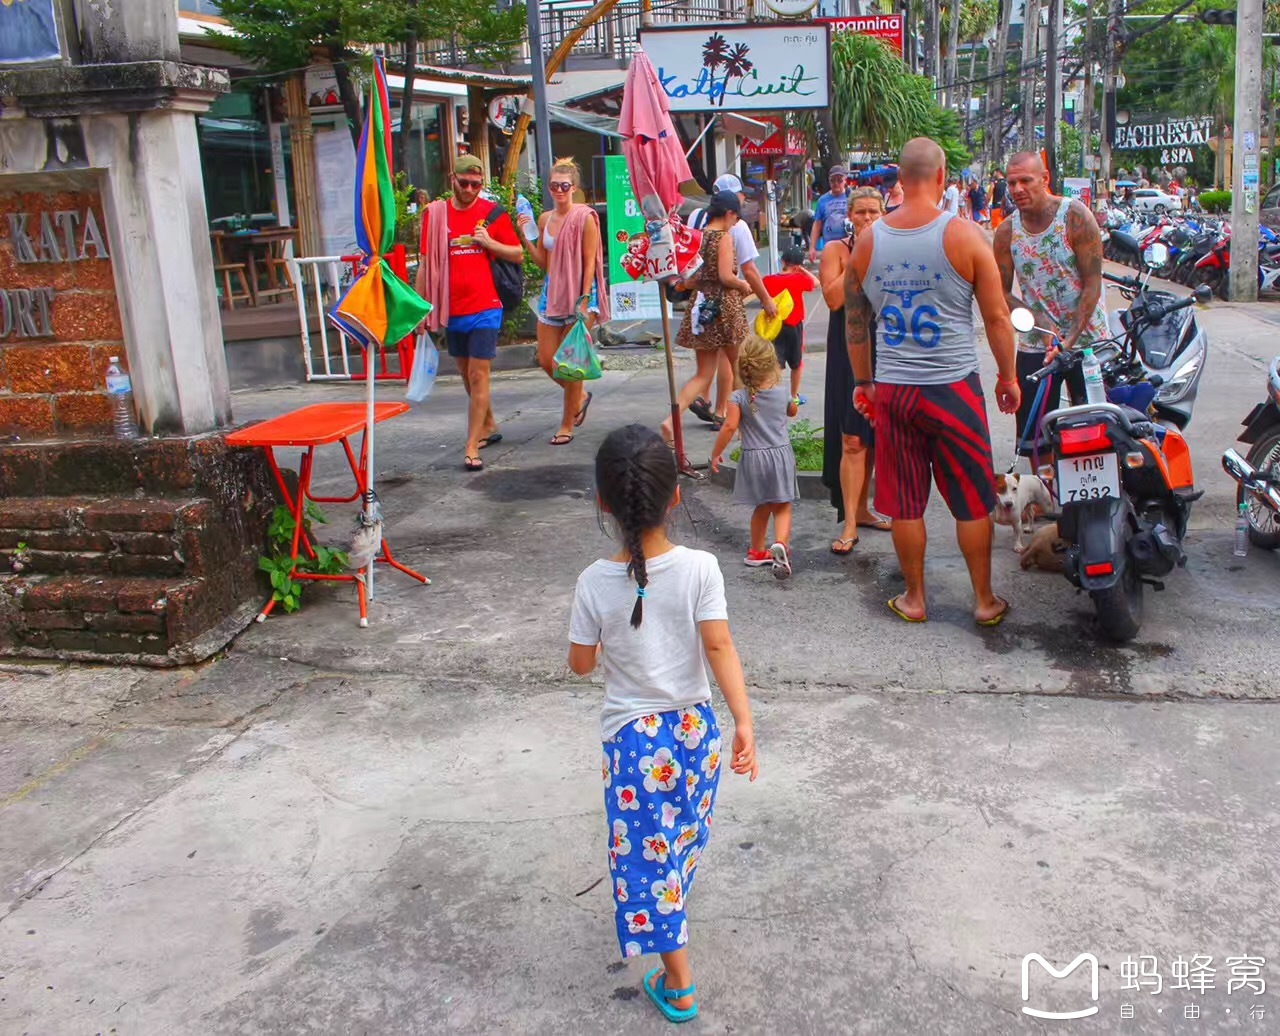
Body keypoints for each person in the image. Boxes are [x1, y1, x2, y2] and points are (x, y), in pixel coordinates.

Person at [568, 424, 759, 1024]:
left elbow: (580, 665)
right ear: (675, 497)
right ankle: (672, 934)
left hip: (633, 744)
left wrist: (605, 642)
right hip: (696, 734)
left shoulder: (592, 583)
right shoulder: (701, 568)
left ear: (602, 501)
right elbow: (721, 648)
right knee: (675, 844)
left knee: (649, 864)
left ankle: (679, 983)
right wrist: (744, 723)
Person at [844, 138, 1020, 626]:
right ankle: (984, 600)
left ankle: (915, 598)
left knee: (905, 502)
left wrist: (864, 383)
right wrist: (1008, 377)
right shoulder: (965, 236)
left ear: (900, 180)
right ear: (942, 177)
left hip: (895, 389)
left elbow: (855, 324)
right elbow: (998, 319)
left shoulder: (869, 241)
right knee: (971, 499)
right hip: (954, 387)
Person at [993, 151, 1107, 460]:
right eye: (1011, 182)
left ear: (1045, 180)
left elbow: (1092, 284)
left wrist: (1067, 341)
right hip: (1036, 344)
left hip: (1086, 341)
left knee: (1096, 428)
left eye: (1025, 181)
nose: (1017, 189)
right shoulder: (1006, 233)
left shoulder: (1076, 217)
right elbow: (1000, 292)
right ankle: (1044, 498)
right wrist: (1036, 318)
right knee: (1033, 437)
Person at [418, 154, 525, 472]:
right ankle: (488, 424)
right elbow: (425, 263)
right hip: (453, 308)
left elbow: (518, 253)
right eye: (464, 183)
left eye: (476, 185)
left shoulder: (491, 214)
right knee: (465, 374)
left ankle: (471, 445)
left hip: (485, 307)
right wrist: (421, 307)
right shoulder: (436, 216)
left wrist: (489, 242)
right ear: (453, 178)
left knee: (479, 375)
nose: (470, 189)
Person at [819, 186, 892, 554]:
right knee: (852, 437)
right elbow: (833, 297)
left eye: (873, 212)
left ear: (883, 213)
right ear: (849, 215)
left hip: (885, 348)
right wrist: (858, 258)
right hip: (847, 350)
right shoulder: (836, 250)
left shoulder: (892, 249)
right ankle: (849, 522)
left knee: (875, 434)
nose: (866, 218)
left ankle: (864, 508)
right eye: (860, 212)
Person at [520, 157, 610, 447]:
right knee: (547, 359)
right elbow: (544, 263)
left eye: (564, 186)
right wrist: (526, 237)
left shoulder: (584, 218)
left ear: (574, 188)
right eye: (554, 185)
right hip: (552, 293)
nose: (559, 190)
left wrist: (583, 301)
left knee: (571, 363)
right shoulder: (546, 219)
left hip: (578, 294)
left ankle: (567, 423)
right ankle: (579, 398)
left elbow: (589, 262)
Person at [662, 191, 752, 461]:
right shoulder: (723, 237)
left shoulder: (697, 237)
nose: (736, 223)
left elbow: (689, 280)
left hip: (702, 308)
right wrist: (742, 283)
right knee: (739, 367)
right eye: (735, 217)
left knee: (703, 374)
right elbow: (726, 276)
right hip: (726, 307)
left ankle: (670, 422)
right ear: (728, 213)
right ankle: (739, 426)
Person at [687, 173, 778, 429]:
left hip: (701, 299)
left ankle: (702, 399)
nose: (743, 200)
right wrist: (766, 299)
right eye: (741, 195)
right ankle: (723, 410)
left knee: (707, 356)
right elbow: (748, 269)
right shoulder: (735, 226)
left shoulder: (696, 217)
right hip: (725, 300)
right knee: (731, 357)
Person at [709, 335, 800, 578]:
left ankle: (757, 552)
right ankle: (780, 544)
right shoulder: (782, 394)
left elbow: (729, 427)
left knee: (762, 506)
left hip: (753, 459)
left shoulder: (738, 397)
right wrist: (794, 401)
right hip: (780, 456)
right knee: (782, 506)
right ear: (773, 365)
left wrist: (716, 454)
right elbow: (792, 411)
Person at [761, 247, 818, 400]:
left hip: (775, 327)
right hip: (794, 327)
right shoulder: (799, 279)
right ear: (799, 265)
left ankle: (773, 396)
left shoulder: (768, 280)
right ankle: (793, 396)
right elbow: (816, 283)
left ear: (783, 261)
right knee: (797, 363)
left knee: (775, 364)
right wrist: (803, 271)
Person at [808, 164, 852, 262]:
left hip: (849, 246)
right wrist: (812, 248)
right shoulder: (822, 200)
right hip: (829, 247)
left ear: (845, 181)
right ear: (829, 181)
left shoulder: (852, 196)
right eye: (833, 180)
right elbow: (817, 224)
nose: (836, 183)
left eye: (839, 180)